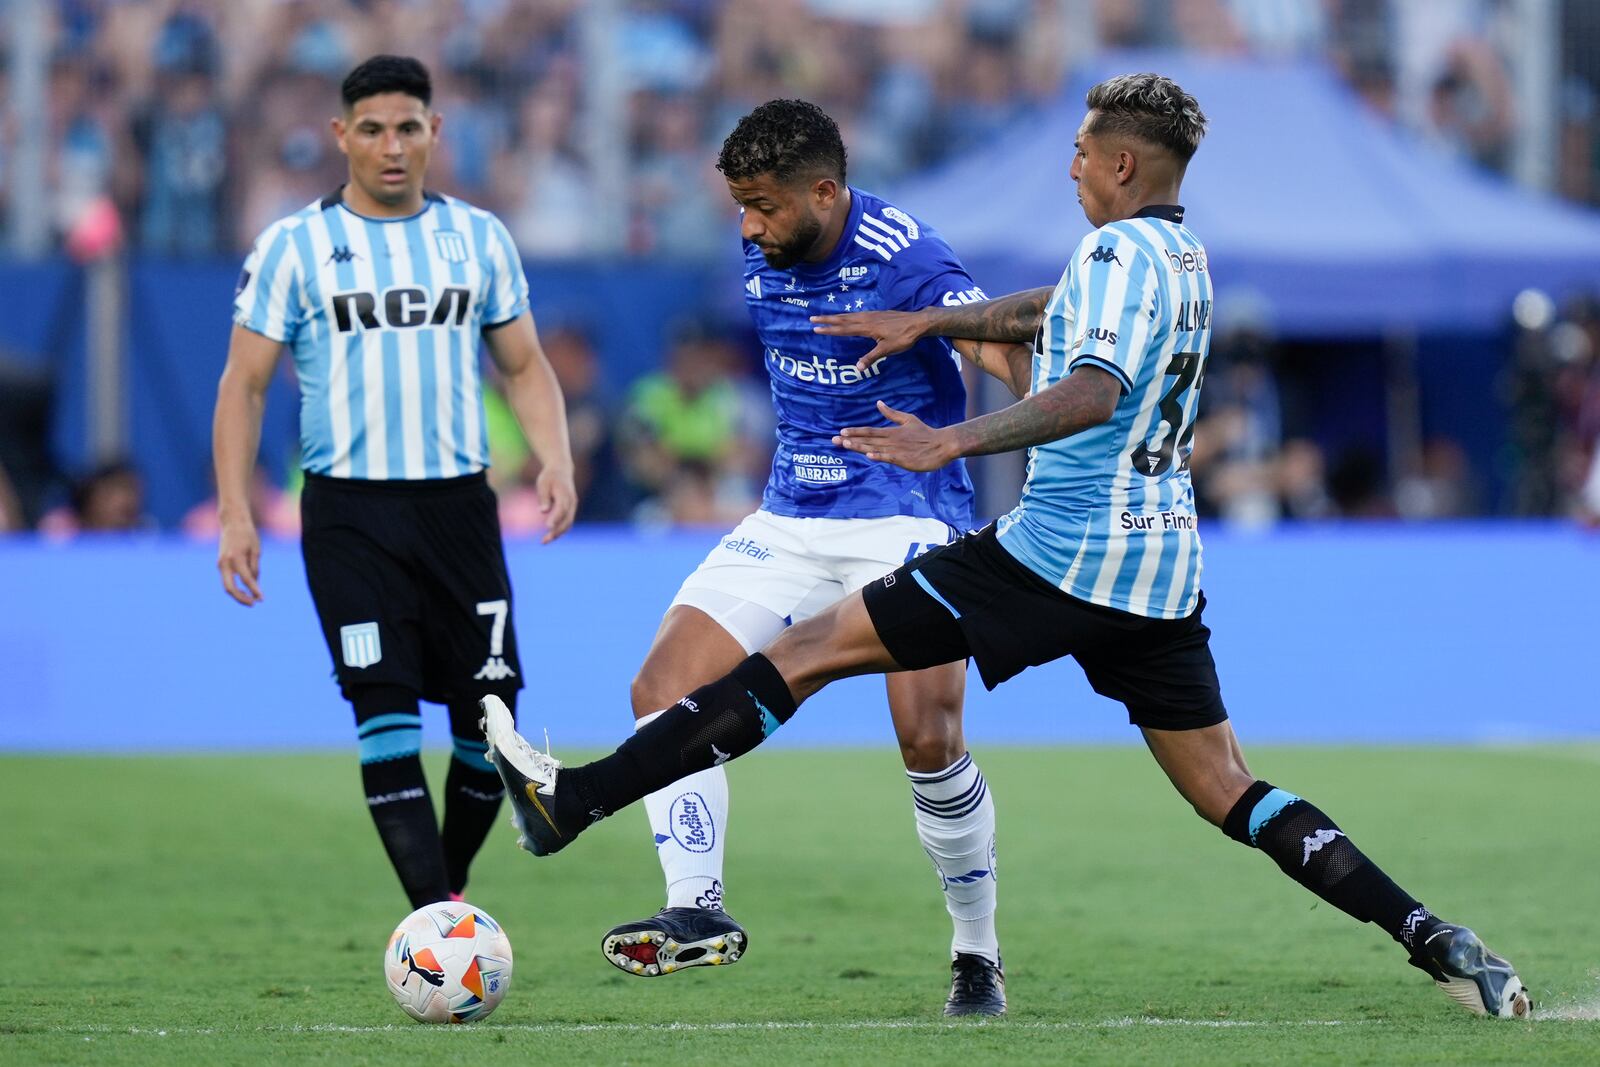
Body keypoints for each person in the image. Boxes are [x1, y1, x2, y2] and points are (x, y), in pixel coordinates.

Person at [480, 73, 1530, 1020]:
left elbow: (1090, 387)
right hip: (1156, 574)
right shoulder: (1183, 255)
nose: (1069, 166)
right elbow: (1049, 314)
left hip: (1045, 559)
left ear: (1119, 164)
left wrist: (952, 436)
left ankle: (572, 802)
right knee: (1231, 787)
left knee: (797, 663)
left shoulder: (1106, 247)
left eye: (1079, 151)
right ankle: (1431, 933)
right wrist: (930, 328)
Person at [588, 99, 1032, 1017]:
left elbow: (995, 345)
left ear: (824, 191)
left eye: (763, 206)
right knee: (659, 689)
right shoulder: (767, 247)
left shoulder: (905, 256)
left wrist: (1047, 418)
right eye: (739, 206)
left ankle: (976, 953)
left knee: (929, 736)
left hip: (905, 513)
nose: (746, 226)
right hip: (791, 514)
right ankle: (696, 909)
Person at [213, 55, 577, 910]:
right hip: (350, 513)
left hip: (458, 508)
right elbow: (244, 386)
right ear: (341, 135)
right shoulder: (294, 247)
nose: (390, 146)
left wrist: (554, 454)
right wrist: (237, 510)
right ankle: (438, 919)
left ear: (434, 133)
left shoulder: (480, 238)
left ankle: (445, 897)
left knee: (491, 729)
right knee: (384, 716)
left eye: (407, 127)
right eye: (371, 129)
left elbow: (523, 365)